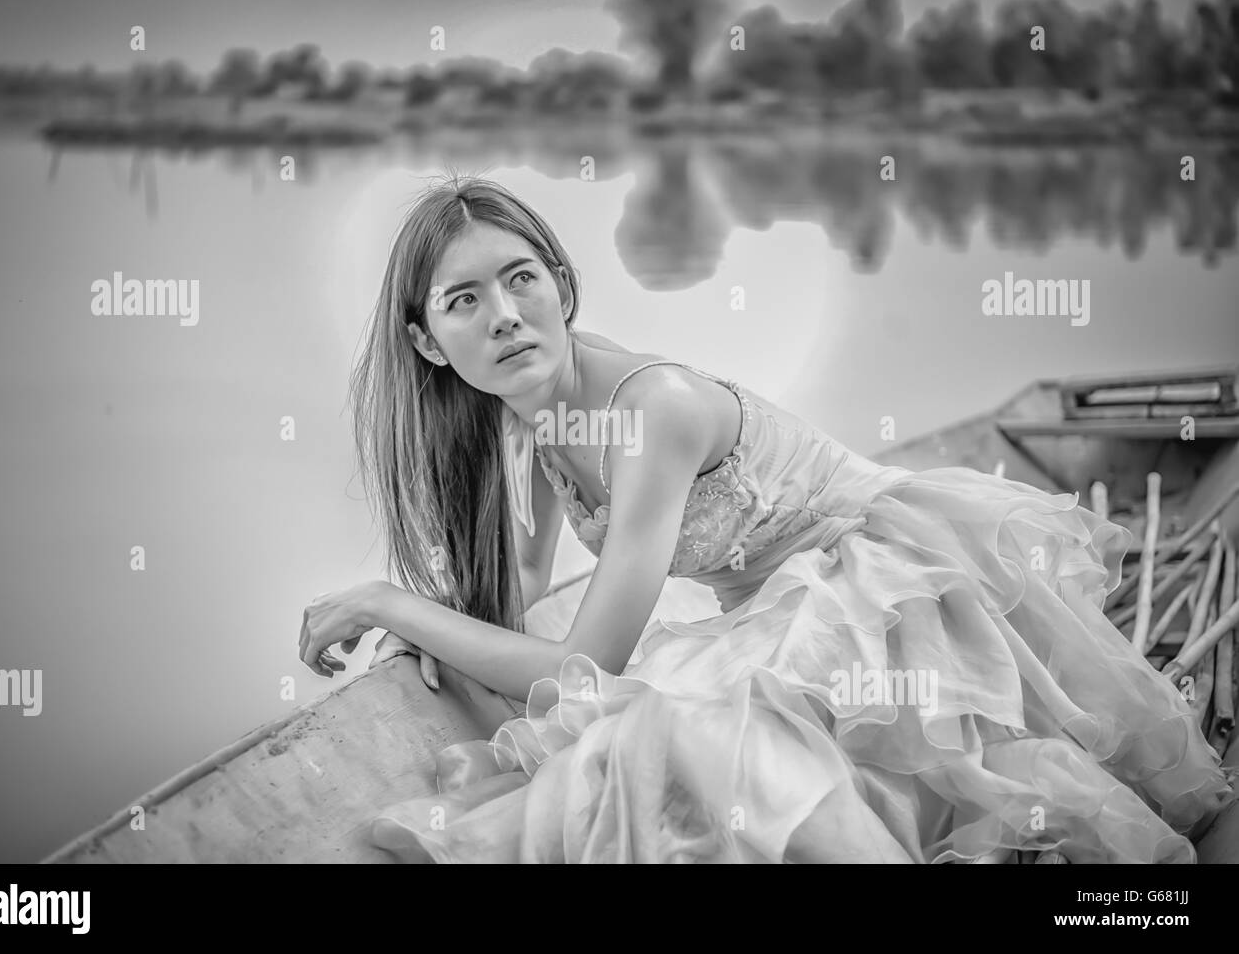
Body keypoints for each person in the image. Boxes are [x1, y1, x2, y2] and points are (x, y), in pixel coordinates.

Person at [299, 173, 1236, 863]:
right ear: (427, 340)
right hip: (774, 607)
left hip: (878, 585)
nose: (505, 315)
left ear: (559, 280)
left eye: (521, 279)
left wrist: (388, 602)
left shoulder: (648, 406)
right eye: (465, 301)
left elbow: (580, 665)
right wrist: (427, 628)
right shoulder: (539, 415)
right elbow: (528, 594)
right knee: (650, 743)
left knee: (684, 734)